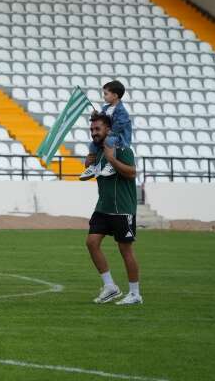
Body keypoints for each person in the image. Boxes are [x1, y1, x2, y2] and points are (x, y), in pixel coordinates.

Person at [84, 113, 142, 305]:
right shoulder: (98, 151)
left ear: (108, 129)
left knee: (125, 250)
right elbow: (93, 171)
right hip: (103, 206)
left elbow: (132, 173)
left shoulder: (122, 148)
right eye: (92, 129)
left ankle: (134, 294)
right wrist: (90, 162)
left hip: (122, 208)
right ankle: (110, 286)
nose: (93, 133)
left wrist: (112, 160)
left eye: (97, 129)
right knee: (92, 242)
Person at [82, 80, 134, 180]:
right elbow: (102, 119)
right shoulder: (106, 108)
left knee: (108, 140)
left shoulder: (121, 111)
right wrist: (96, 115)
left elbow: (121, 124)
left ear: (115, 96)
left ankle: (111, 165)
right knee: (92, 144)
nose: (104, 96)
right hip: (110, 135)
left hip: (119, 137)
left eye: (106, 94)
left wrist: (112, 132)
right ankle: (93, 166)